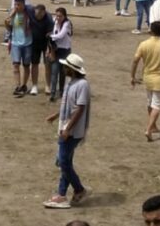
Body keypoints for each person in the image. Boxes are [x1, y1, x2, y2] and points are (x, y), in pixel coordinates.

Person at [43, 53, 91, 209]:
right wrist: (56, 116)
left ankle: (78, 189)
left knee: (63, 161)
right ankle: (62, 194)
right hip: (66, 128)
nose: (63, 68)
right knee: (66, 161)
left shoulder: (82, 85)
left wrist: (68, 128)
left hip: (72, 131)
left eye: (66, 66)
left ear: (72, 69)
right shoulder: (71, 83)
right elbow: (68, 106)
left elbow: (80, 108)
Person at [131, 21, 160, 142]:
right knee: (156, 105)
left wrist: (132, 76)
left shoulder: (144, 44)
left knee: (150, 102)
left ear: (151, 31)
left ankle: (153, 126)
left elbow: (135, 61)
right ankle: (149, 129)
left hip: (148, 77)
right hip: (159, 78)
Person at [6, 0, 32, 96]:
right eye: (15, 4)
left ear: (23, 5)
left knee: (26, 65)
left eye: (19, 4)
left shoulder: (29, 15)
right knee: (16, 65)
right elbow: (9, 28)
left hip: (27, 43)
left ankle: (24, 85)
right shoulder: (12, 15)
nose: (17, 6)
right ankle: (17, 85)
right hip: (15, 43)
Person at [28, 4, 54, 96]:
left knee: (47, 64)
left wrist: (48, 48)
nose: (37, 16)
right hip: (34, 43)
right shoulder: (30, 11)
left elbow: (50, 34)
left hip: (45, 43)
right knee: (34, 64)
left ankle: (48, 85)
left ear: (44, 12)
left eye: (40, 14)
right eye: (36, 14)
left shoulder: (49, 19)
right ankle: (34, 86)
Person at [49, 7, 73, 102]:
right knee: (54, 72)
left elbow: (61, 35)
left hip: (65, 51)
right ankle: (53, 93)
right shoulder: (55, 21)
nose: (58, 18)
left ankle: (62, 91)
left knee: (63, 73)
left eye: (60, 16)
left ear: (64, 16)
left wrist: (50, 36)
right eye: (57, 15)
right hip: (56, 50)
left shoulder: (67, 24)